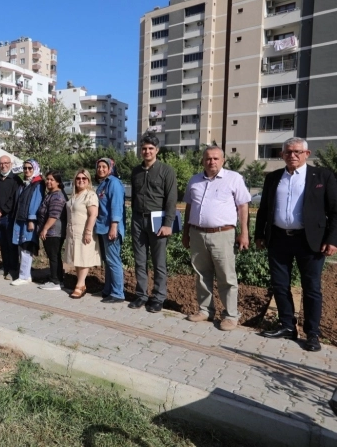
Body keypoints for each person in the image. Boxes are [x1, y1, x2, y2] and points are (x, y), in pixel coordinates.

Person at [256, 137, 337, 352]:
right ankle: (287, 326)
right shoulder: (273, 178)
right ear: (282, 155)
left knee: (311, 289)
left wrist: (332, 239)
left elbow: (335, 210)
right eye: (288, 152)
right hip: (279, 239)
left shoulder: (322, 176)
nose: (292, 155)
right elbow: (264, 209)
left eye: (297, 152)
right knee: (280, 285)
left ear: (307, 154)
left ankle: (312, 333)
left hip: (310, 241)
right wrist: (259, 235)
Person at [182, 146, 251, 331]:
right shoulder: (194, 180)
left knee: (226, 276)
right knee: (201, 274)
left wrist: (244, 233)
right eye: (208, 158)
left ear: (223, 160)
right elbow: (189, 208)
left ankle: (230, 315)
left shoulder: (233, 178)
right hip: (197, 234)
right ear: (202, 160)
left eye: (215, 158)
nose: (211, 161)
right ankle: (205, 310)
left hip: (223, 234)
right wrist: (185, 232)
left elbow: (243, 206)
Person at [129, 135, 177, 313]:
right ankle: (141, 295)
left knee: (159, 262)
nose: (147, 151)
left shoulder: (166, 171)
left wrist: (167, 224)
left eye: (150, 148)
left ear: (157, 150)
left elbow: (171, 200)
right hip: (138, 220)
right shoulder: (136, 171)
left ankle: (158, 297)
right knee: (140, 261)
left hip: (158, 221)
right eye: (144, 148)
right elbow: (134, 196)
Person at [64, 169, 102, 298]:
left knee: (84, 258)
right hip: (72, 232)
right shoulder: (74, 196)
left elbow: (93, 214)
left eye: (84, 179)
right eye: (78, 178)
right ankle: (81, 283)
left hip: (84, 231)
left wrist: (88, 232)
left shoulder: (90, 195)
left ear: (88, 181)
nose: (81, 180)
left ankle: (80, 285)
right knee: (77, 258)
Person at [95, 158, 126, 304]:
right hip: (103, 228)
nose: (101, 169)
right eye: (99, 166)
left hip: (110, 229)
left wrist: (114, 226)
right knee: (108, 261)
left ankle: (118, 293)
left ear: (110, 168)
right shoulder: (103, 184)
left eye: (104, 166)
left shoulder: (113, 183)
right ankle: (108, 290)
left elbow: (116, 206)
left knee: (114, 261)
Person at [0, 155, 23, 280]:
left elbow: (14, 199)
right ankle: (5, 267)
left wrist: (1, 211)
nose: (4, 165)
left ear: (11, 164)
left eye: (6, 163)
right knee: (2, 244)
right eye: (1, 163)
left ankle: (13, 269)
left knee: (11, 245)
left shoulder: (16, 180)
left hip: (9, 218)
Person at [10, 159, 45, 286]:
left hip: (28, 221)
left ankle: (23, 276)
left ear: (35, 168)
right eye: (25, 168)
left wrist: (31, 220)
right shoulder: (24, 184)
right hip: (20, 219)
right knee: (21, 246)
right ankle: (26, 274)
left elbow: (36, 202)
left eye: (30, 168)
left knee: (26, 247)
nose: (27, 171)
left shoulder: (38, 184)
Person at [37, 171, 67, 290]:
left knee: (53, 256)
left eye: (51, 180)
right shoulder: (51, 194)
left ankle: (55, 281)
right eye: (47, 179)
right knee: (55, 256)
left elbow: (53, 216)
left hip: (54, 232)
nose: (48, 182)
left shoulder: (57, 196)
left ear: (58, 182)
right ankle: (58, 279)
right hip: (52, 231)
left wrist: (44, 229)